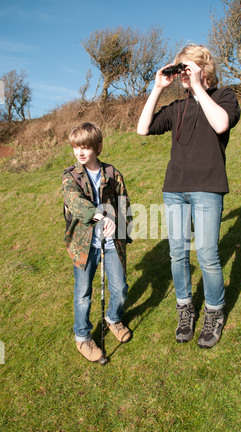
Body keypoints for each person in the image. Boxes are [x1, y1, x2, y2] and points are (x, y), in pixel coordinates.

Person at [137, 44, 241, 348]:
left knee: (208, 255)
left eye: (186, 68)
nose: (180, 73)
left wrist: (197, 86)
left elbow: (221, 123)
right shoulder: (177, 107)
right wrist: (157, 88)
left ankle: (214, 312)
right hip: (175, 190)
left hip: (208, 188)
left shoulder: (224, 97)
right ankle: (185, 309)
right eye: (178, 68)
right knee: (177, 254)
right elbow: (143, 128)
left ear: (203, 69)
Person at [62, 122, 132, 362]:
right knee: (83, 293)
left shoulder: (112, 173)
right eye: (76, 147)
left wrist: (122, 229)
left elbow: (124, 204)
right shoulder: (70, 176)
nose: (80, 152)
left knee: (120, 289)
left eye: (85, 147)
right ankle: (82, 337)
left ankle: (113, 318)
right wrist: (99, 215)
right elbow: (74, 201)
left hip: (111, 241)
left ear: (98, 147)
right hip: (84, 244)